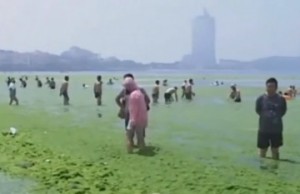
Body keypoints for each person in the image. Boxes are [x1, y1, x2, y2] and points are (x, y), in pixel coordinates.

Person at [255, 77, 287, 160]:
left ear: (276, 87)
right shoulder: (260, 99)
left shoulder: (281, 99)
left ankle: (275, 165)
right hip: (263, 129)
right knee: (262, 150)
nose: (270, 88)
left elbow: (283, 111)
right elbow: (258, 110)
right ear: (266, 87)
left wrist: (275, 118)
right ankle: (262, 166)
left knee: (275, 150)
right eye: (268, 86)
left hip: (276, 130)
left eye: (272, 86)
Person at [123, 77, 148, 153]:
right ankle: (142, 150)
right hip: (142, 118)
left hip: (134, 118)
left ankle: (129, 151)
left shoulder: (133, 95)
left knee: (129, 136)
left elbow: (133, 109)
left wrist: (132, 120)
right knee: (140, 137)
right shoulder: (140, 93)